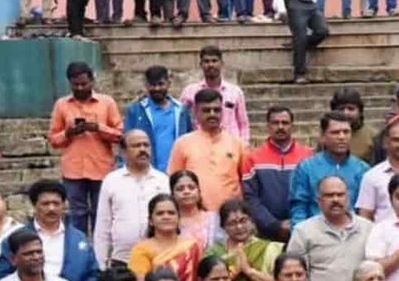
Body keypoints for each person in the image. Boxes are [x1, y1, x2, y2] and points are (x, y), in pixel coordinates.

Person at [0, 180, 101, 281]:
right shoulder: (16, 238)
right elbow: (2, 275)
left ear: (64, 205)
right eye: (45, 204)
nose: (51, 208)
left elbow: (94, 274)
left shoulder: (79, 239)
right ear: (35, 205)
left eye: (56, 203)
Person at [47, 62, 122, 236]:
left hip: (102, 168)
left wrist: (98, 128)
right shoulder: (62, 105)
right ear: (70, 83)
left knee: (101, 213)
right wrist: (70, 132)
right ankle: (79, 248)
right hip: (73, 171)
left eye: (84, 84)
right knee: (76, 215)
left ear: (92, 81)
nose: (80, 88)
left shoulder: (107, 102)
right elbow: (53, 139)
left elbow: (120, 134)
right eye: (76, 85)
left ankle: (99, 252)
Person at [290, 175, 375, 281]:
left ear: (348, 198)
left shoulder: (368, 229)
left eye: (340, 195)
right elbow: (295, 276)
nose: (335, 199)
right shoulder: (303, 232)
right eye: (329, 195)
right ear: (319, 201)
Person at [170, 89, 252, 218]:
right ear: (196, 112)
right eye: (206, 110)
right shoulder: (182, 144)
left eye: (217, 110)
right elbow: (173, 182)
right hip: (194, 216)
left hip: (230, 217)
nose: (212, 114)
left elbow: (247, 184)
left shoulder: (238, 144)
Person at [95, 131, 171, 268]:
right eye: (136, 145)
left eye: (146, 145)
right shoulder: (111, 181)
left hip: (158, 260)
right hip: (122, 261)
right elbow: (103, 226)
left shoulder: (163, 181)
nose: (142, 149)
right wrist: (100, 265)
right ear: (123, 151)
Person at [242, 108, 314, 243]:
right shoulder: (252, 158)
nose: (280, 127)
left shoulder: (308, 156)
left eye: (285, 123)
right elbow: (250, 197)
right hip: (265, 232)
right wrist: (274, 225)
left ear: (292, 126)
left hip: (303, 229)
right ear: (268, 126)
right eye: (275, 123)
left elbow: (312, 193)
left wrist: (298, 223)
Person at [289, 113, 370, 228]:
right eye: (335, 132)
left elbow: (365, 209)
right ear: (323, 137)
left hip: (352, 236)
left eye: (346, 132)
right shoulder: (306, 168)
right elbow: (299, 207)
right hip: (316, 236)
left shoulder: (362, 169)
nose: (342, 137)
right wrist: (299, 236)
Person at [129, 194, 206, 281]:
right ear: (151, 220)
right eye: (160, 213)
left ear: (178, 218)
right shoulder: (141, 250)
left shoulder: (193, 246)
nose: (166, 216)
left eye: (171, 213)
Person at [123, 67, 194, 175]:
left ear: (168, 83)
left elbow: (189, 140)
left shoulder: (181, 110)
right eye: (152, 85)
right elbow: (126, 142)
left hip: (177, 172)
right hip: (147, 172)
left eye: (161, 84)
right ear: (146, 85)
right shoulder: (136, 111)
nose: (157, 88)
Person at [210, 200, 284, 281]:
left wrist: (249, 271)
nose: (239, 227)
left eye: (243, 220)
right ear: (223, 227)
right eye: (232, 223)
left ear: (252, 222)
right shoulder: (214, 252)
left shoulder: (271, 248)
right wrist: (236, 271)